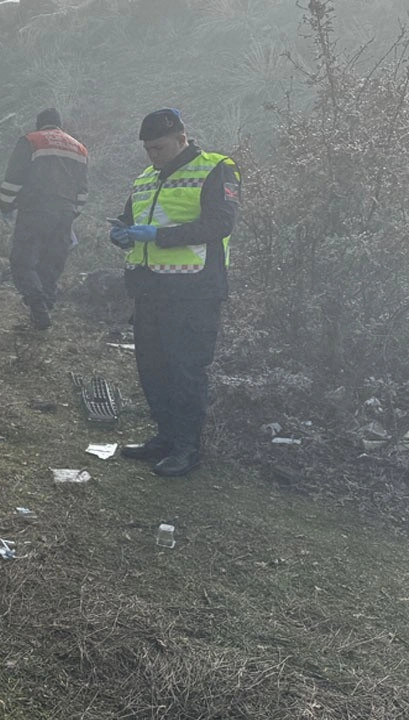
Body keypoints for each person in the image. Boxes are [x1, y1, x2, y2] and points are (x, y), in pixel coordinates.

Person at [109, 109, 240, 477]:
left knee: (185, 370)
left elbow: (220, 223)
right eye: (148, 149)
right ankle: (165, 437)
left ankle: (187, 448)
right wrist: (120, 233)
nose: (152, 156)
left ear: (182, 138)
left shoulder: (217, 168)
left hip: (194, 291)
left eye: (159, 148)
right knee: (153, 370)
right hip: (149, 288)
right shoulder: (146, 178)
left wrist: (160, 237)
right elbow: (129, 220)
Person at [0, 108, 88, 330]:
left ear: (40, 124)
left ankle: (38, 306)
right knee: (51, 261)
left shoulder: (31, 140)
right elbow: (83, 191)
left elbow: (13, 179)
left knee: (23, 261)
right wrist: (72, 212)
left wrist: (6, 205)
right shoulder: (79, 148)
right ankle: (46, 305)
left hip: (35, 210)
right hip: (65, 213)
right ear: (60, 125)